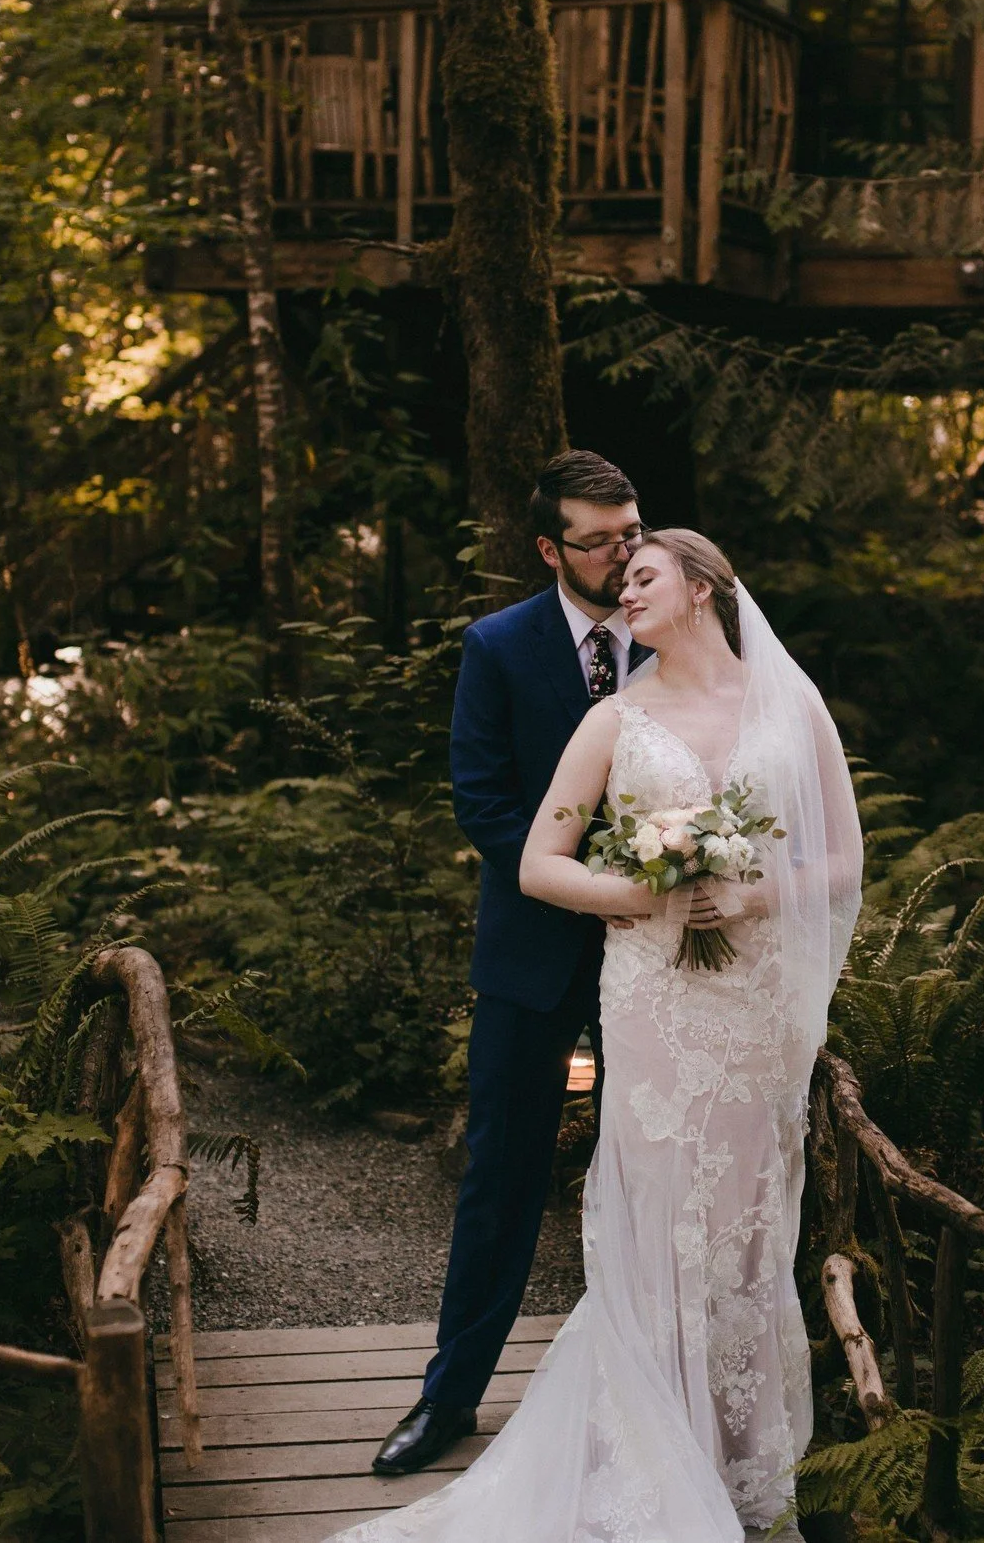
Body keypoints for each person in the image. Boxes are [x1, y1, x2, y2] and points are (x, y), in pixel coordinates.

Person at [338, 528, 863, 1543]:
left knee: (749, 1224)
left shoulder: (788, 704)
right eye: (619, 579)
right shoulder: (613, 719)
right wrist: (643, 890)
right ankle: (646, 1454)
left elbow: (842, 858)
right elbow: (539, 861)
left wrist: (754, 898)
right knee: (659, 1209)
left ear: (704, 586)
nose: (624, 591)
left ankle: (742, 1458)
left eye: (643, 575)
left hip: (755, 1005)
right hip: (657, 999)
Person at [371, 450, 649, 1478]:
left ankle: (654, 1400)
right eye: (599, 539)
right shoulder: (497, 645)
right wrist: (597, 877)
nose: (624, 554)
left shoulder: (681, 636)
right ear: (549, 547)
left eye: (631, 532)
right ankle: (448, 1399)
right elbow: (482, 801)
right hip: (532, 953)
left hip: (665, 959)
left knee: (654, 1176)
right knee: (502, 1177)